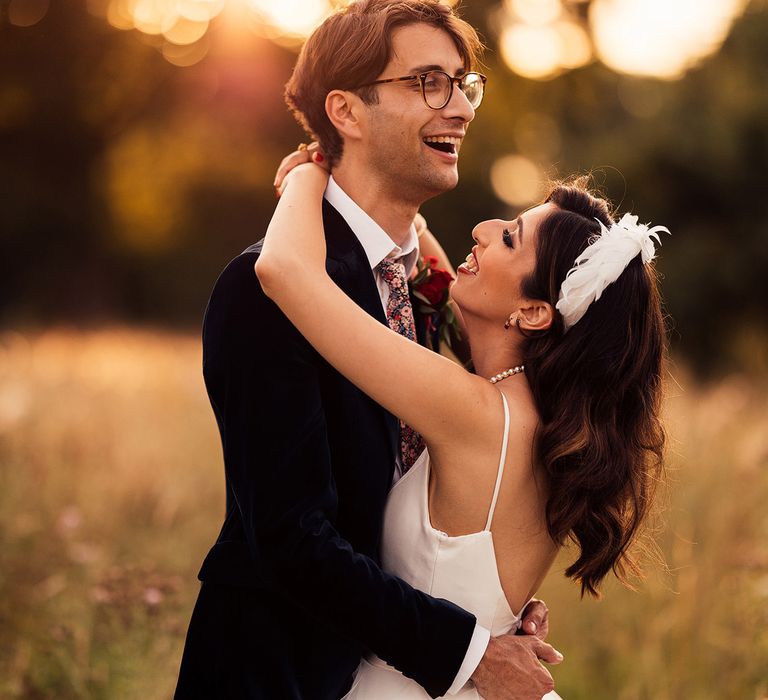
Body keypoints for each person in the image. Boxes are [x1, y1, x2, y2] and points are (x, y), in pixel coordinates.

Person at [174, 2, 562, 699]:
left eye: (463, 85)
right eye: (427, 83)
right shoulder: (266, 288)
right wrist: (468, 651)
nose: (461, 109)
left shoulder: (435, 289)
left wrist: (485, 599)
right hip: (280, 678)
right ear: (347, 112)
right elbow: (292, 540)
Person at [256, 160, 668, 698]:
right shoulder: (548, 423)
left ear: (535, 312)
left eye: (510, 238)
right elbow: (430, 259)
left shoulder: (475, 413)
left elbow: (283, 272)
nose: (481, 230)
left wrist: (310, 171)